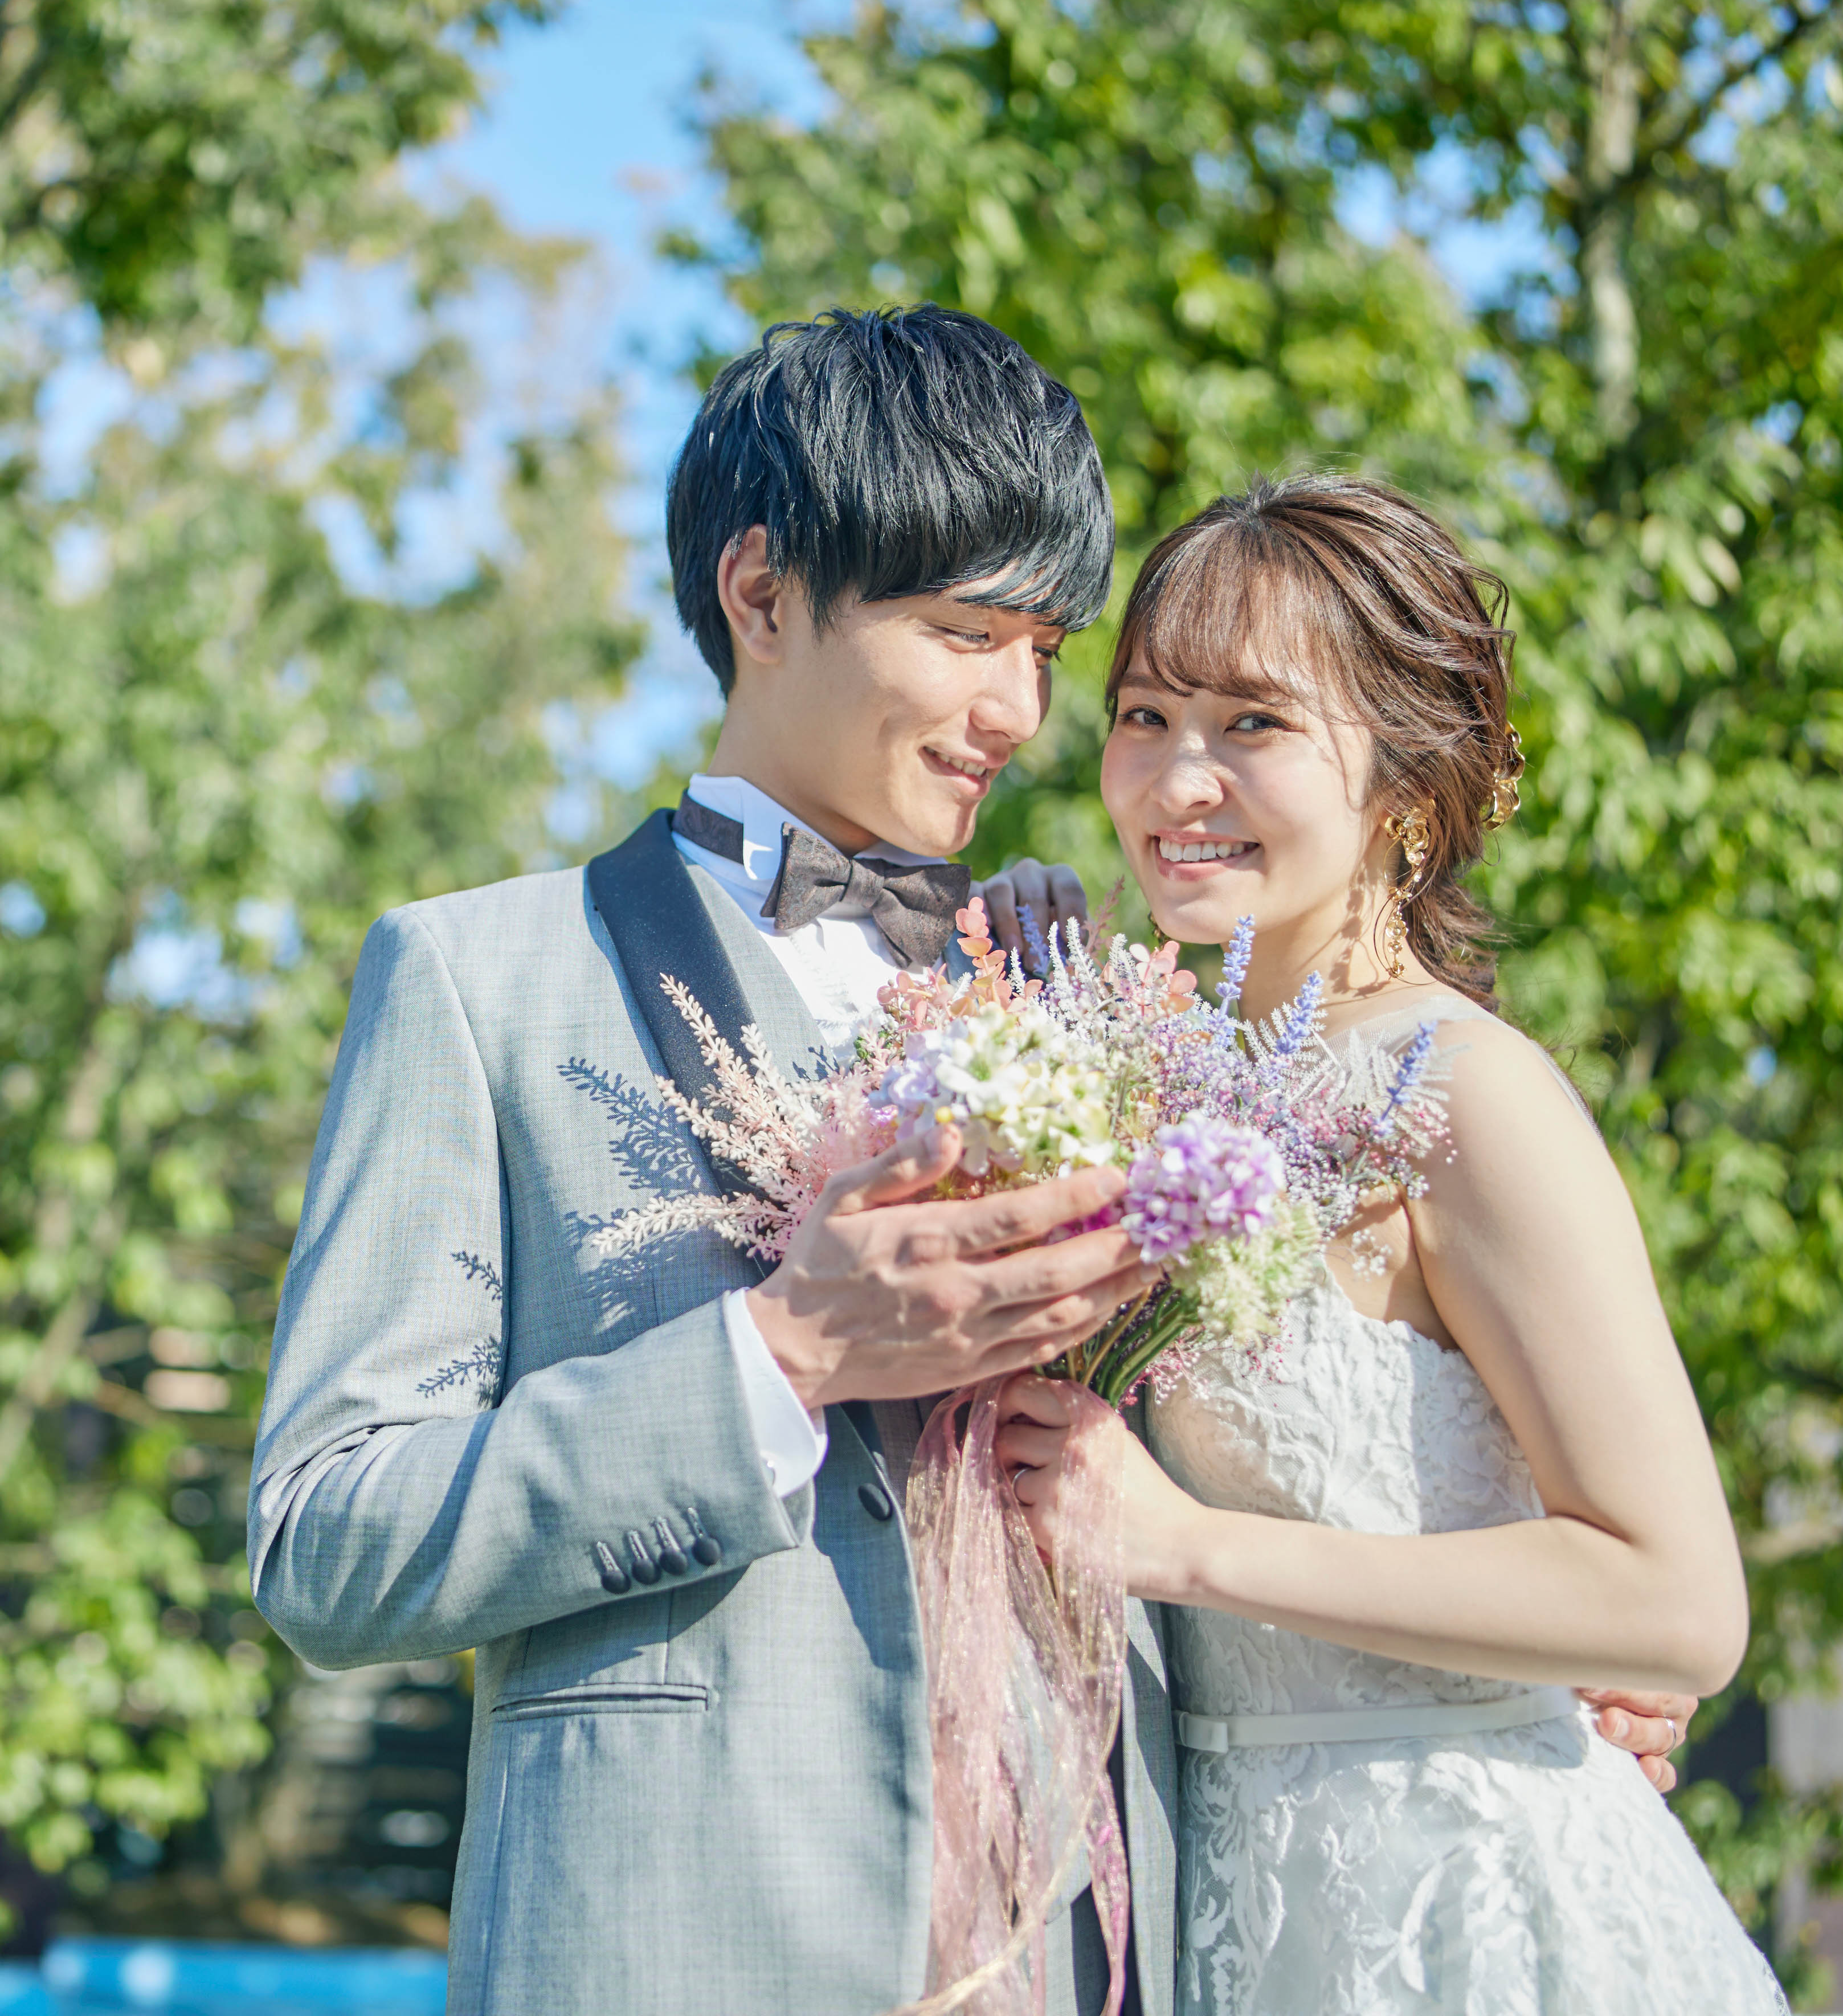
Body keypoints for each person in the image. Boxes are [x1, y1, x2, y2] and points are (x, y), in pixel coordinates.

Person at [248, 306, 1173, 2016]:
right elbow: (327, 1541)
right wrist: (780, 1353)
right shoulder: (475, 978)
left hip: (1070, 1942)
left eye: (1044, 648)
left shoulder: (1075, 982)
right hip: (672, 1946)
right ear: (761, 594)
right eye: (967, 632)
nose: (1019, 709)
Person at [996, 475, 1790, 2014]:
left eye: (1253, 723)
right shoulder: (1147, 1085)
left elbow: (1679, 1603)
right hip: (1229, 1909)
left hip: (1471, 1914)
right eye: (1146, 716)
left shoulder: (1470, 1096)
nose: (1178, 780)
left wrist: (1181, 1545)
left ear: (1405, 791)